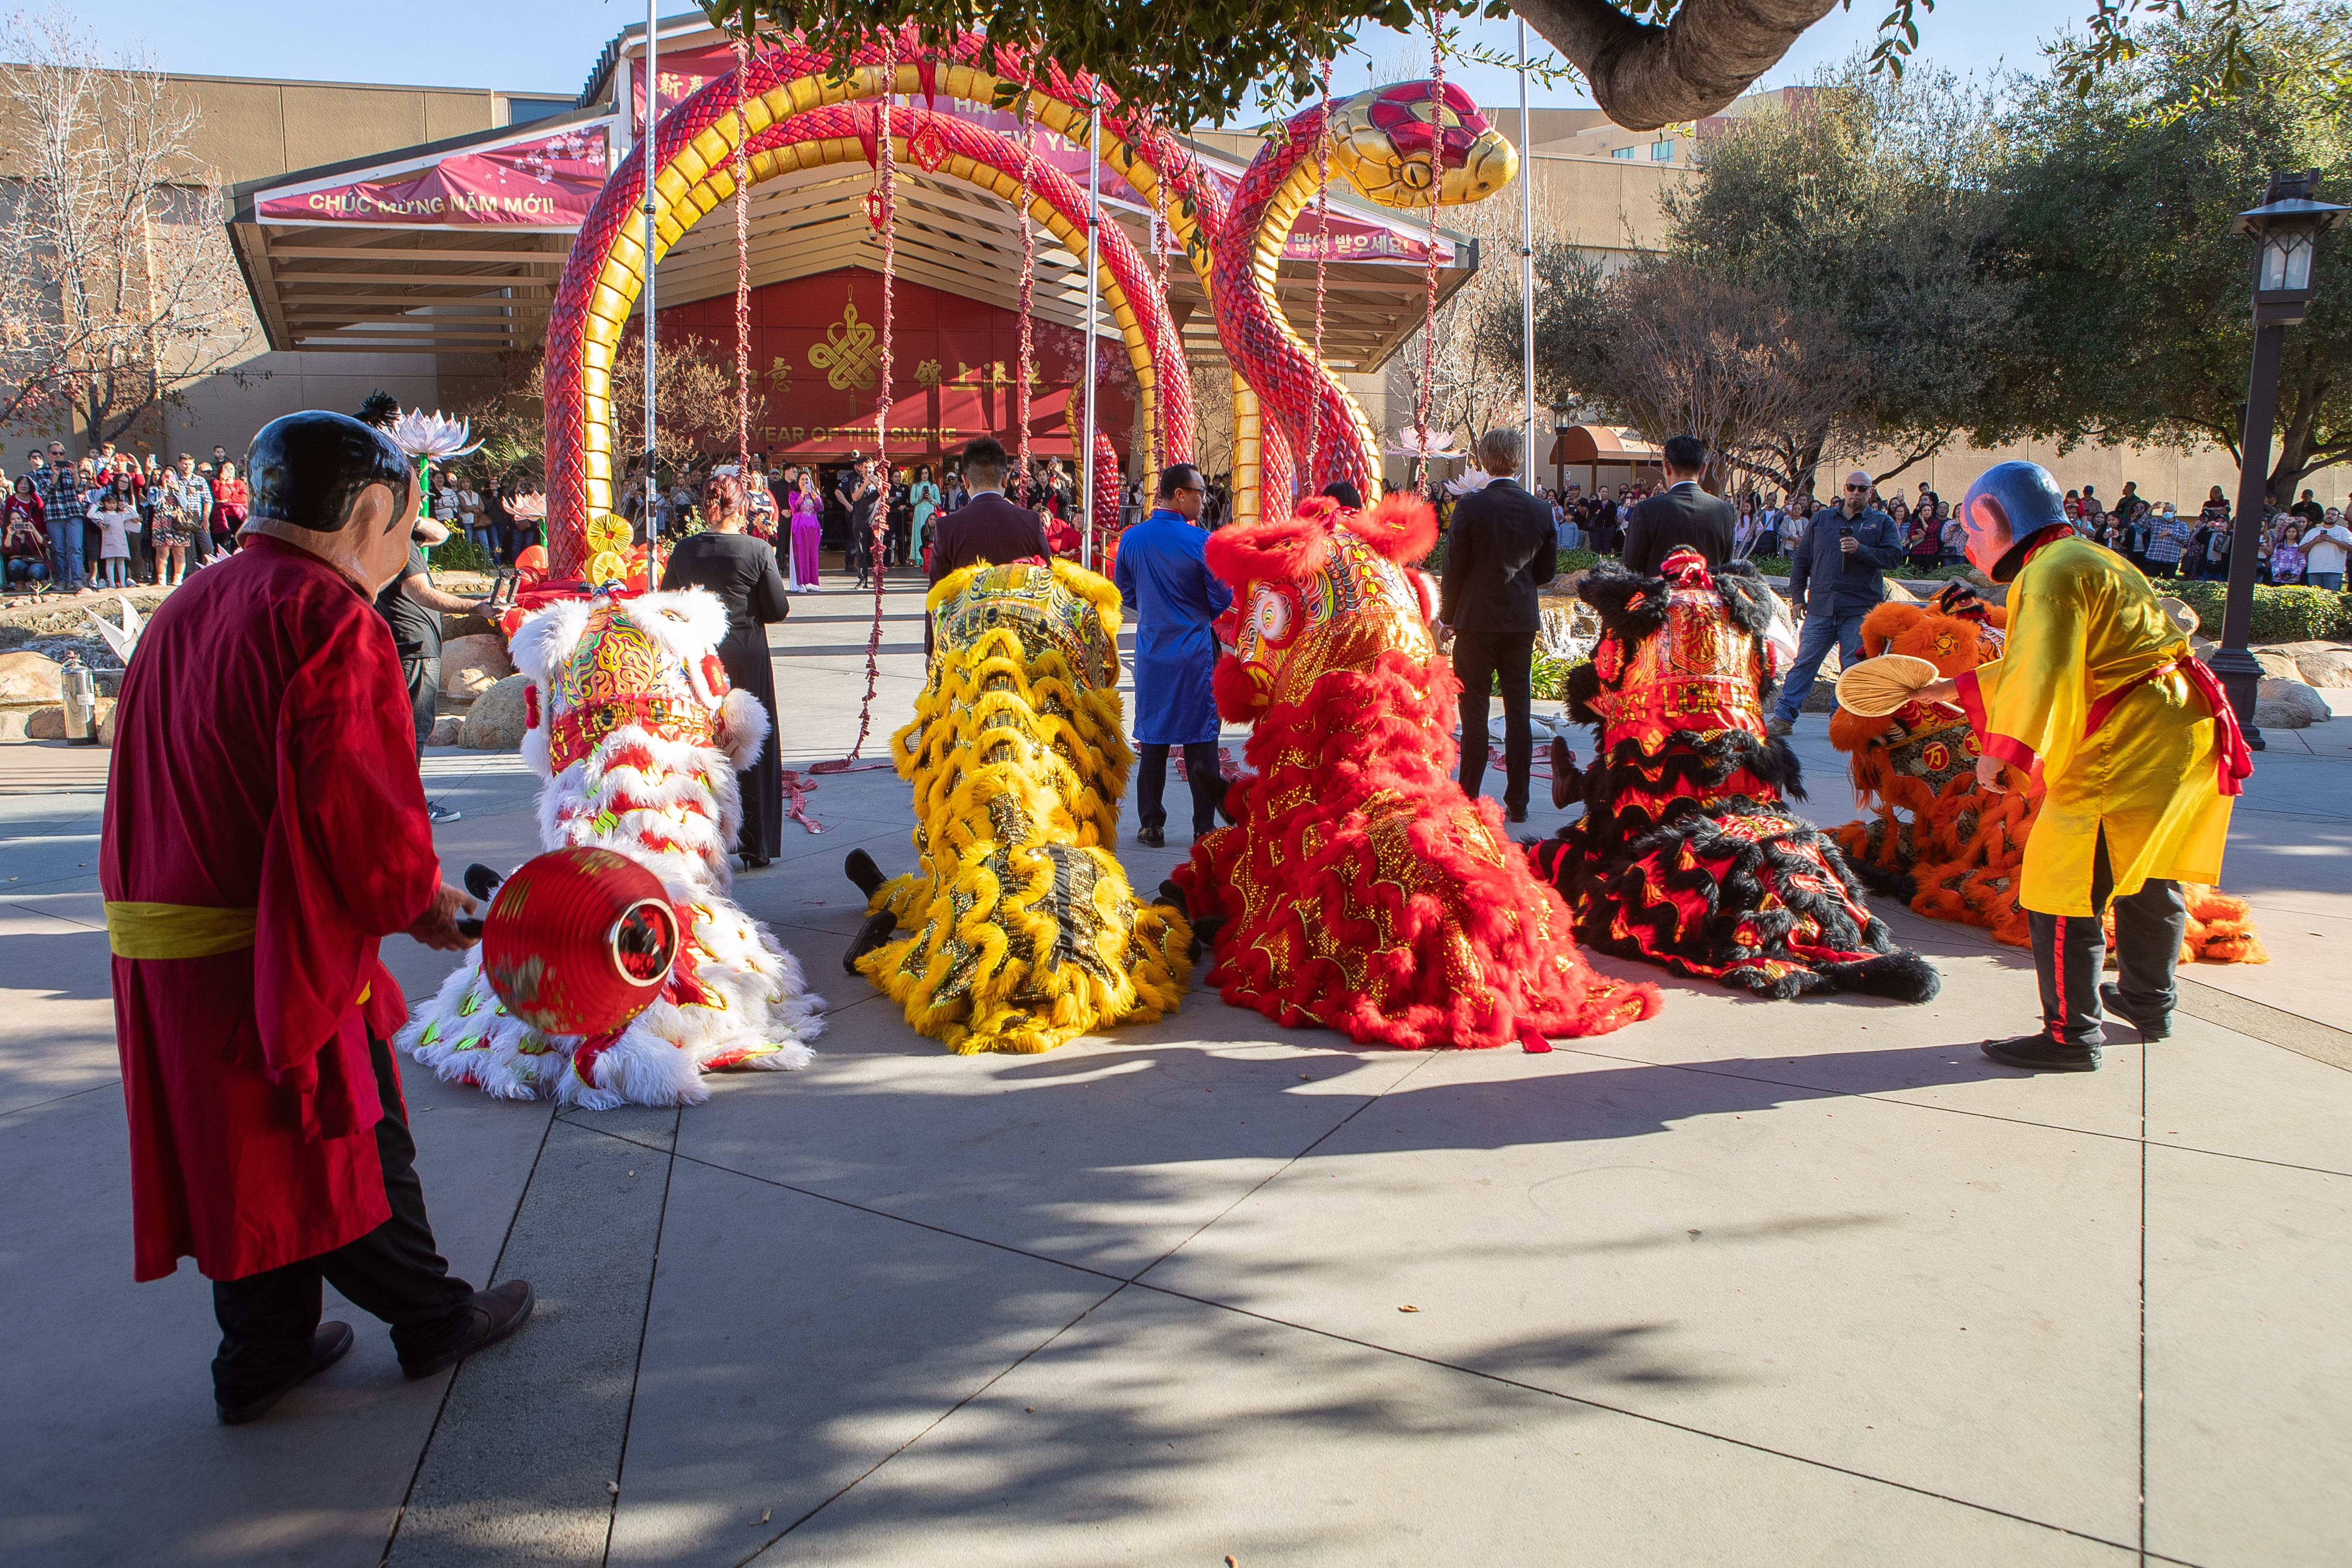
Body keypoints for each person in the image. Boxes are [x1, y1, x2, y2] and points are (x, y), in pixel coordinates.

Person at [101, 408, 533, 1427]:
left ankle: (261, 1356)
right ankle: (430, 1317)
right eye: (404, 530)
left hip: (168, 943)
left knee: (242, 1155)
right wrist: (417, 901)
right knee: (345, 1130)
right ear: (372, 513)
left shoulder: (190, 601)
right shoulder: (328, 616)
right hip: (270, 945)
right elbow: (358, 807)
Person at [1919, 460, 2248, 1072]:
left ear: (1997, 519)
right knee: (2146, 869)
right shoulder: (2088, 557)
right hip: (2179, 726)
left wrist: (2002, 753)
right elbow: (2048, 657)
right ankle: (2149, 1002)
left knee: (2062, 883)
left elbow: (2042, 672)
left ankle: (2071, 1036)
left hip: (2130, 737)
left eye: (1971, 529)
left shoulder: (2046, 574)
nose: (1967, 544)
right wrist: (1949, 689)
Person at [661, 472, 791, 868]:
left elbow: (666, 603)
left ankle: (702, 838)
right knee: (752, 742)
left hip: (699, 657)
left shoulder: (685, 551)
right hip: (747, 653)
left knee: (700, 745)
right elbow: (778, 609)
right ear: (742, 507)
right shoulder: (757, 550)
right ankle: (757, 843)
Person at [1438, 427, 1557, 822]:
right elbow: (1547, 573)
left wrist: (1448, 617)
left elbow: (1454, 569)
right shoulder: (1540, 510)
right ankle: (1519, 803)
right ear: (1518, 459)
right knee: (1519, 710)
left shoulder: (1471, 508)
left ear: (1484, 460)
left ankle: (1469, 796)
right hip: (1520, 620)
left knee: (1474, 713)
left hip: (1475, 621)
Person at [1113, 462, 1231, 848]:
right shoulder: (1201, 542)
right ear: (1180, 495)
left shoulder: (1132, 539)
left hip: (1151, 652)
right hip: (1194, 653)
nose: (1203, 500)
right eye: (1199, 493)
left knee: (1154, 738)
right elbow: (1223, 595)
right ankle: (1203, 827)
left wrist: (1155, 610)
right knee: (1201, 739)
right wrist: (1197, 613)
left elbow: (1124, 592)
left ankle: (1151, 825)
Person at [1767, 470, 1904, 736]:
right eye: (1852, 487)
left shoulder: (1882, 522)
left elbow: (1894, 558)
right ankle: (1783, 717)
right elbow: (1802, 561)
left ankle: (1839, 719)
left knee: (1852, 667)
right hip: (1821, 607)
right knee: (1804, 663)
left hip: (1859, 609)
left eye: (1862, 489)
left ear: (1871, 492)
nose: (1856, 493)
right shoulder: (1821, 519)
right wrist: (1798, 598)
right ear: (1844, 489)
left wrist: (1860, 550)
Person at [375, 513, 482, 818]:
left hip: (408, 646)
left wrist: (412, 520)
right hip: (414, 648)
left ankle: (399, 801)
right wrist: (476, 607)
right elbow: (422, 593)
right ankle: (410, 806)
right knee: (416, 728)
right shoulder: (399, 542)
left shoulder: (388, 536)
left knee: (408, 728)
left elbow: (441, 534)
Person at [925, 435, 1048, 658]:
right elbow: (1049, 583)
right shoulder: (1031, 522)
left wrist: (932, 650)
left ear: (965, 481)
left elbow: (936, 594)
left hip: (966, 648)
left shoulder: (947, 527)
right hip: (1022, 648)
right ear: (1005, 479)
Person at [1618, 435, 1735, 576]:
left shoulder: (1647, 509)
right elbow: (1726, 572)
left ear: (1667, 467)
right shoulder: (1725, 511)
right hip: (1709, 589)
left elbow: (1630, 569)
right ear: (1703, 468)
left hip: (1661, 589)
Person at [34, 438, 86, 592]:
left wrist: (76, 474)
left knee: (76, 548)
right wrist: (55, 475)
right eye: (55, 453)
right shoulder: (42, 471)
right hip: (54, 514)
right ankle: (63, 580)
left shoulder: (70, 469)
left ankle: (77, 580)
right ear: (49, 455)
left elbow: (81, 490)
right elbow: (45, 492)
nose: (58, 456)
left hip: (73, 513)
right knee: (59, 550)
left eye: (61, 453)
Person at [89, 471, 140, 588]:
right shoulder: (105, 490)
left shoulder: (128, 496)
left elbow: (134, 513)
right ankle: (105, 579)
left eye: (126, 482)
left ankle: (125, 580)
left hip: (122, 529)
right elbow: (93, 509)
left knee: (122, 559)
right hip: (106, 527)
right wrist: (99, 520)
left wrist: (126, 507)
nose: (124, 484)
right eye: (121, 481)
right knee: (108, 559)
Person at [4, 474, 50, 587]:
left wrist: (39, 532)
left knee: (35, 570)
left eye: (26, 484)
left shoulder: (35, 498)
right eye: (21, 483)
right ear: (16, 485)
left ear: (31, 486)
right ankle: (20, 583)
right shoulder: (11, 500)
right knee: (14, 564)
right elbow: (7, 517)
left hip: (36, 532)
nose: (24, 486)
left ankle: (40, 581)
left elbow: (42, 517)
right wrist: (9, 534)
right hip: (16, 536)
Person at [846, 459, 882, 587]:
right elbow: (855, 497)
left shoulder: (879, 480)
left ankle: (878, 580)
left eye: (870, 467)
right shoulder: (855, 482)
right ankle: (863, 580)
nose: (868, 470)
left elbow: (886, 496)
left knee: (878, 553)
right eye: (866, 467)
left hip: (876, 523)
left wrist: (878, 485)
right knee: (861, 553)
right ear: (861, 469)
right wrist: (865, 484)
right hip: (860, 522)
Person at [788, 471, 824, 590]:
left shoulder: (814, 494)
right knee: (801, 555)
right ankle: (801, 583)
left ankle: (812, 582)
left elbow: (819, 508)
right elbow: (795, 508)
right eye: (802, 479)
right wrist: (802, 495)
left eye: (807, 480)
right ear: (798, 482)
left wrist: (815, 498)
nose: (805, 482)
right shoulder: (794, 494)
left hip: (812, 529)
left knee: (813, 555)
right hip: (800, 529)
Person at [2301, 507, 2351, 591]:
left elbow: (2350, 547)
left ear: (2337, 518)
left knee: (2332, 597)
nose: (2330, 516)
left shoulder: (2344, 531)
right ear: (2324, 516)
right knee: (2315, 597)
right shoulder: (2313, 532)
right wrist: (2314, 541)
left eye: (2333, 515)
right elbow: (2301, 549)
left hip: (2334, 571)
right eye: (2328, 514)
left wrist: (2333, 541)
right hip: (2314, 571)